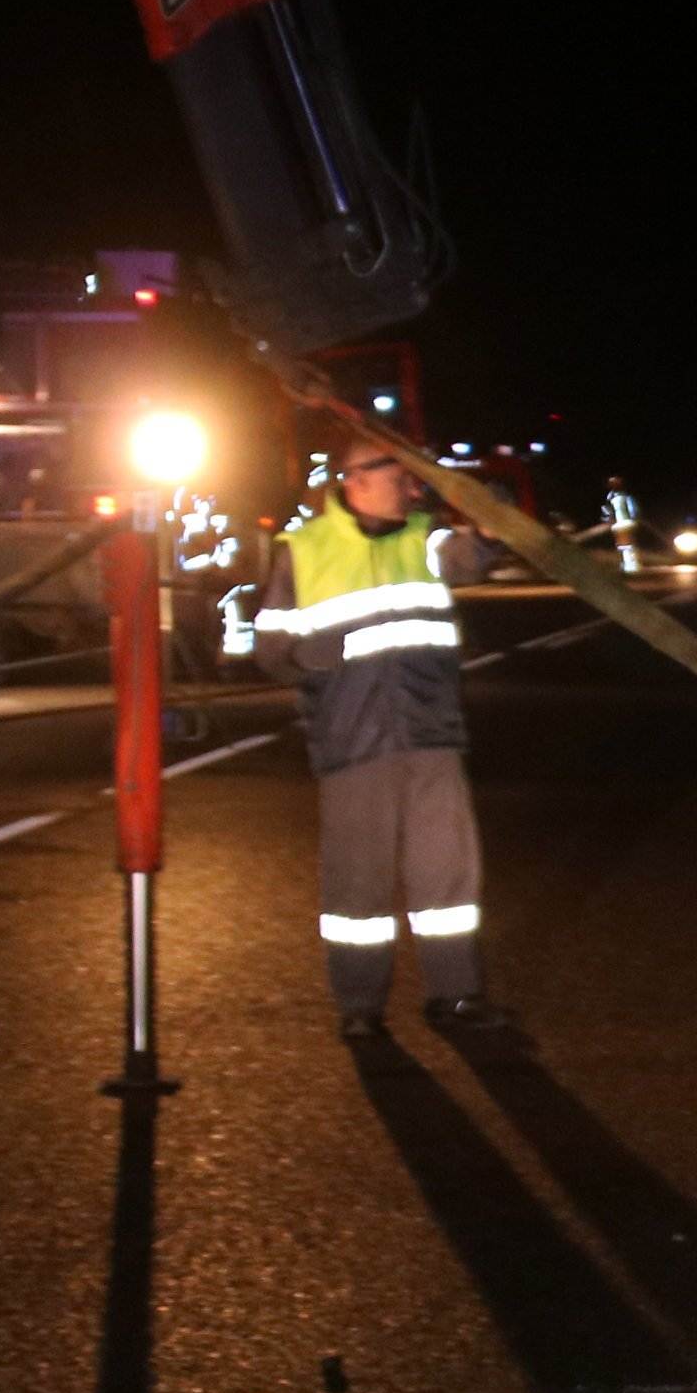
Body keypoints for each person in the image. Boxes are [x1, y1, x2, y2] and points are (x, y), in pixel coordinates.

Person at [238, 436, 518, 1041]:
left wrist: (482, 508)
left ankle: (457, 996)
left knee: (447, 878)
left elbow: (482, 550)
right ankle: (360, 1005)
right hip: (352, 740)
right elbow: (270, 650)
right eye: (401, 478)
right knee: (357, 884)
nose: (412, 490)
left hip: (431, 734)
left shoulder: (427, 538)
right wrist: (308, 658)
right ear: (357, 478)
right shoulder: (303, 550)